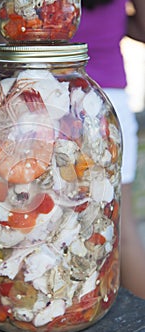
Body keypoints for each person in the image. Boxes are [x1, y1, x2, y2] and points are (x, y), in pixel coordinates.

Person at [72, 0, 145, 299]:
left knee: (63, 228)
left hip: (57, 100)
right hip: (110, 103)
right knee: (123, 232)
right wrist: (115, 23)